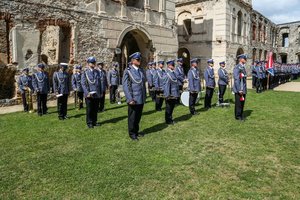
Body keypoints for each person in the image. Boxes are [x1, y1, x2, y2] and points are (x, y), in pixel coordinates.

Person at [122, 52, 147, 141]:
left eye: (140, 59)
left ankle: (136, 131)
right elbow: (125, 86)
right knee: (132, 117)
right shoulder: (128, 71)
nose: (139, 60)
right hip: (134, 98)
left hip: (141, 97)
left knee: (138, 116)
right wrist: (130, 99)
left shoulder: (141, 70)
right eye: (137, 59)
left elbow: (143, 83)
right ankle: (132, 133)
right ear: (133, 61)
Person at [81, 57, 102, 128]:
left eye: (94, 63)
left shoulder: (97, 72)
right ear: (88, 63)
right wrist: (87, 93)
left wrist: (100, 92)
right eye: (92, 63)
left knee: (95, 109)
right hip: (89, 94)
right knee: (89, 109)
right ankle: (89, 123)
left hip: (96, 93)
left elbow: (99, 83)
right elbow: (83, 83)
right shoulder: (85, 72)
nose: (93, 64)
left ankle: (94, 121)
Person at [164, 60, 180, 125]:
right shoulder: (167, 73)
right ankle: (168, 120)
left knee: (172, 107)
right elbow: (166, 85)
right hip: (170, 94)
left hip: (174, 93)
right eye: (172, 65)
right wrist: (167, 95)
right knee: (168, 108)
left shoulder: (173, 73)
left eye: (174, 65)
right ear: (169, 66)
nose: (174, 66)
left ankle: (170, 118)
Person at [233, 54, 247, 121]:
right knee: (238, 103)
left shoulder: (243, 67)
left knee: (242, 103)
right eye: (244, 58)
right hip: (239, 89)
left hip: (243, 88)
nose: (245, 60)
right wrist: (239, 89)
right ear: (240, 59)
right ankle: (238, 116)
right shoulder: (237, 67)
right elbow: (236, 79)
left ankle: (241, 115)